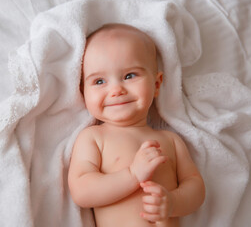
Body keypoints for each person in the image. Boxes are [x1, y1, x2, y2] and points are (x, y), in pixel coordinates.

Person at [68, 23, 205, 227]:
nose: (116, 90)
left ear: (156, 84)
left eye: (129, 76)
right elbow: (82, 191)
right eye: (99, 81)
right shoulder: (93, 137)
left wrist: (173, 203)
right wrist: (132, 174)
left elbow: (195, 187)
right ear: (83, 92)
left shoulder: (170, 140)